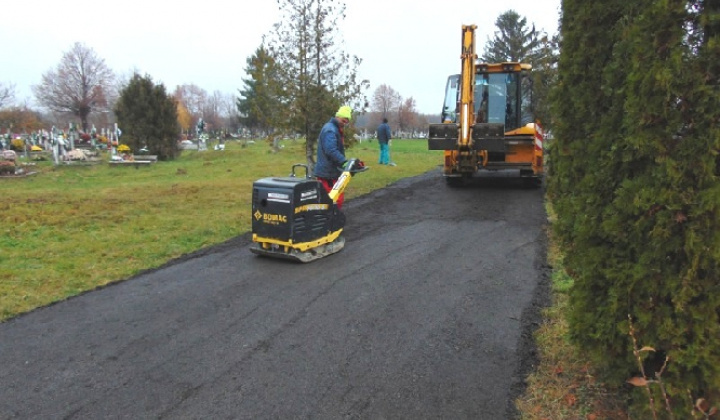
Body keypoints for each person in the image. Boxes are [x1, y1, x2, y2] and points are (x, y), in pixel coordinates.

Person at [314, 105, 352, 209]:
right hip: (328, 174)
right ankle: (331, 222)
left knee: (332, 200)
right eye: (344, 120)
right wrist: (344, 162)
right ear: (338, 116)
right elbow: (330, 150)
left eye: (347, 121)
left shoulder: (333, 128)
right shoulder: (330, 130)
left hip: (330, 171)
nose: (345, 122)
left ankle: (330, 221)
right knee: (334, 200)